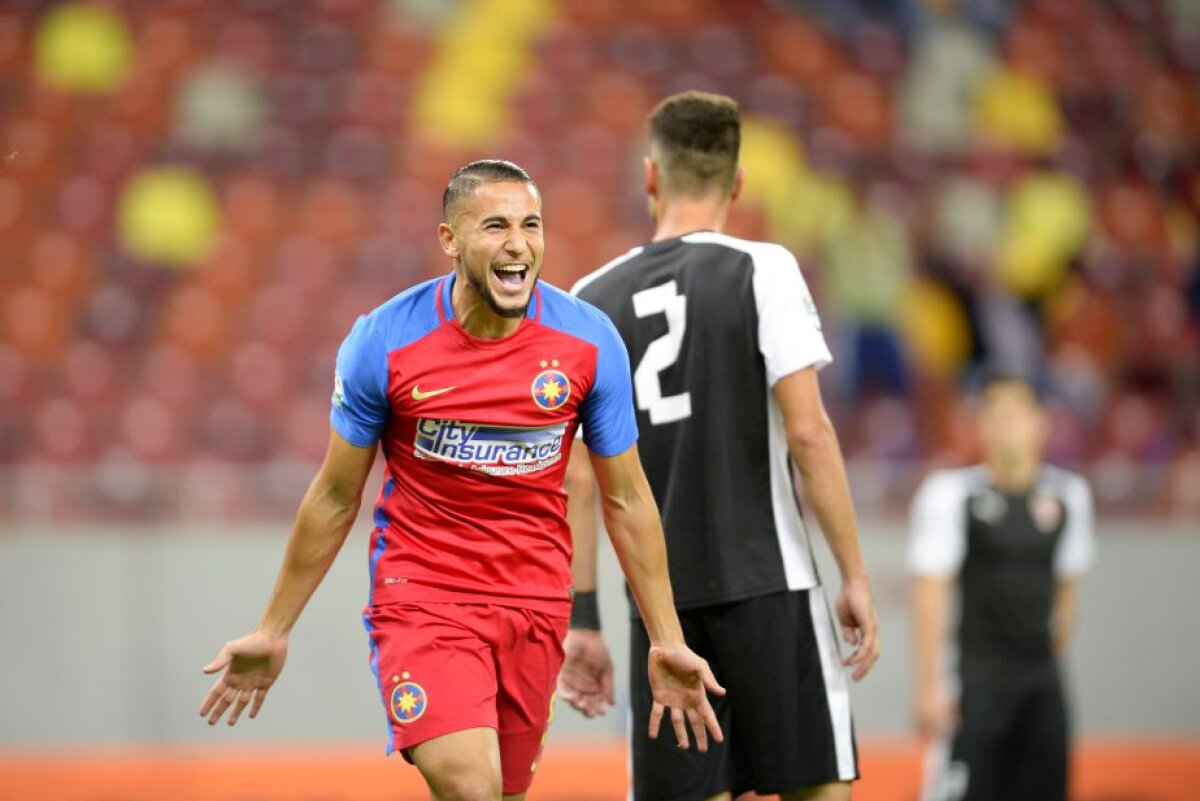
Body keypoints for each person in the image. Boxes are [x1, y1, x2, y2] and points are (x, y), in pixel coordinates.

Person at [198, 159, 725, 801]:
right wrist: (273, 627)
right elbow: (336, 495)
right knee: (471, 789)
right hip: (424, 595)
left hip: (535, 603)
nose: (518, 244)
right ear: (449, 239)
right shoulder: (384, 341)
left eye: (531, 225)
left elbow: (627, 497)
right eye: (495, 225)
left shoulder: (589, 343)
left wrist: (666, 638)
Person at [562, 91, 879, 801]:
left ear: (650, 176)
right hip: (769, 582)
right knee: (819, 786)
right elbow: (808, 431)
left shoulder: (589, 300)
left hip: (661, 609)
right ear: (738, 183)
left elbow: (578, 481)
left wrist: (583, 618)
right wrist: (853, 572)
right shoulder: (762, 269)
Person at [908, 372, 1095, 801]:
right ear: (980, 425)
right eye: (994, 411)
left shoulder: (1070, 497)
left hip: (1040, 680)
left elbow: (1067, 593)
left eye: (1017, 411)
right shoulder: (951, 496)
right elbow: (931, 592)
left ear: (1041, 422)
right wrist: (928, 688)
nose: (1006, 422)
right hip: (975, 677)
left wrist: (1045, 655)